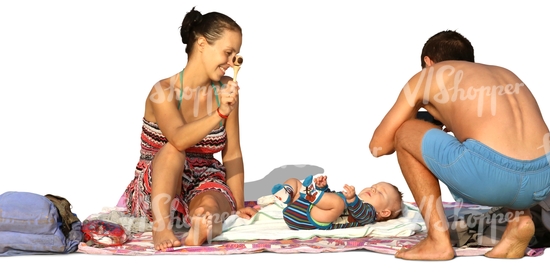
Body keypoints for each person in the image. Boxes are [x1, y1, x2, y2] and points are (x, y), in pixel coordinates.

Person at [369, 30, 550, 260]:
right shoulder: (504, 73)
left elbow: (379, 146)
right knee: (498, 146)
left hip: (490, 179)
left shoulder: (429, 75)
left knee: (405, 131)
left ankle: (437, 241)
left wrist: (422, 118)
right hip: (542, 180)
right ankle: (520, 220)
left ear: (428, 62)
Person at [119, 7, 259, 251]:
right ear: (202, 43)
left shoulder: (227, 88)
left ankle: (202, 226)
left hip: (204, 176)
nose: (231, 62)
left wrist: (236, 206)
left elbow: (232, 152)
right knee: (174, 150)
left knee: (211, 207)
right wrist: (219, 113)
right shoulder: (163, 91)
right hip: (159, 183)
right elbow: (179, 139)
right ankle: (162, 226)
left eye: (236, 54)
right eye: (227, 53)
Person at [267, 175, 404, 230]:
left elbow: (359, 212)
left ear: (384, 212)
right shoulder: (350, 198)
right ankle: (286, 193)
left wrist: (352, 200)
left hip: (314, 219)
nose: (373, 190)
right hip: (300, 208)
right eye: (373, 186)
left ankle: (312, 194)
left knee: (338, 203)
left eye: (380, 192)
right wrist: (324, 188)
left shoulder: (369, 213)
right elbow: (329, 200)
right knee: (294, 181)